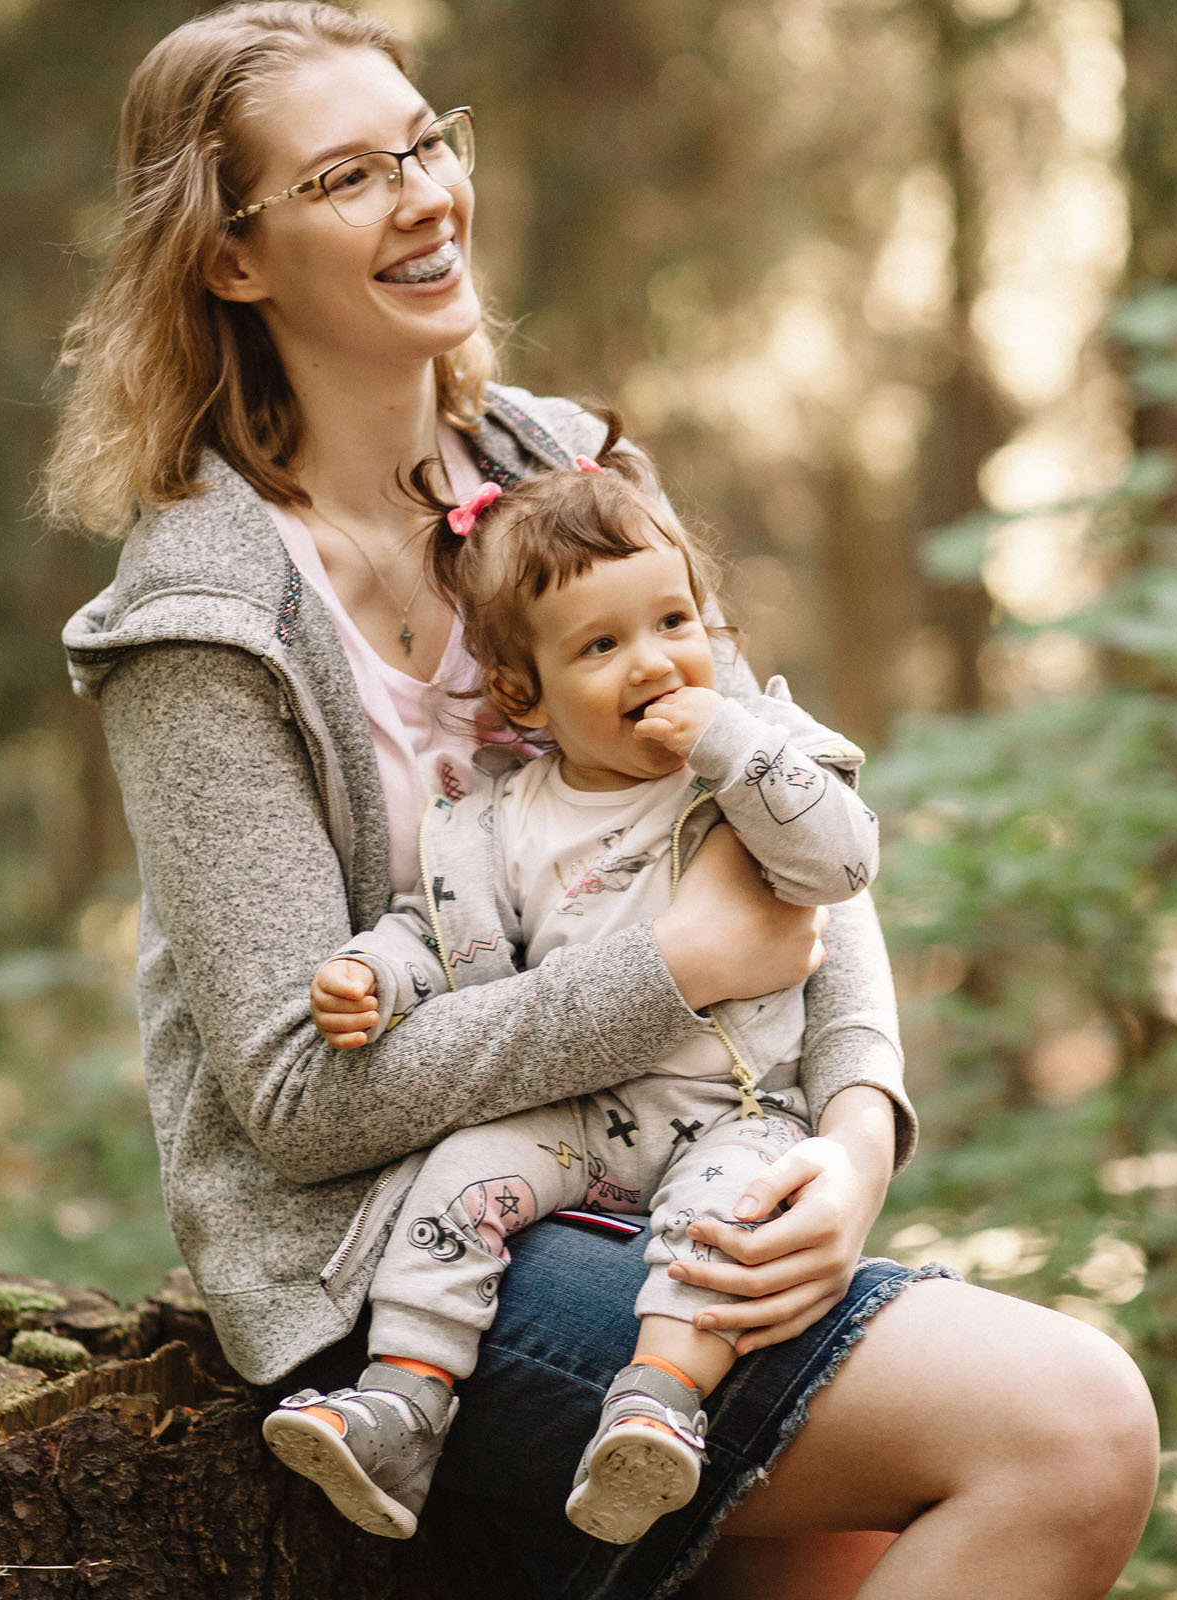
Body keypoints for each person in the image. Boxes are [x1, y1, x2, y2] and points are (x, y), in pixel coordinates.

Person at [46, 6, 1160, 1596]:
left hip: (688, 1167)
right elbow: (296, 1103)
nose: (427, 194)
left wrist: (851, 1145)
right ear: (231, 260)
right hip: (397, 1273)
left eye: (429, 142)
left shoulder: (555, 466)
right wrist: (673, 975)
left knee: (867, 1550)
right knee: (1070, 1428)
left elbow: (783, 811)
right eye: (352, 176)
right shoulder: (204, 620)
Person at [264, 442, 880, 1545]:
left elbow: (841, 865)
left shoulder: (753, 768)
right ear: (522, 689)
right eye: (602, 644)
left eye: (675, 625)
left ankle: (656, 1408)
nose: (654, 664)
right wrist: (374, 975)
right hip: (573, 1111)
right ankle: (404, 1403)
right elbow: (437, 932)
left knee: (726, 1221)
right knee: (457, 1179)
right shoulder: (495, 817)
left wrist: (735, 742)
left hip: (730, 1108)